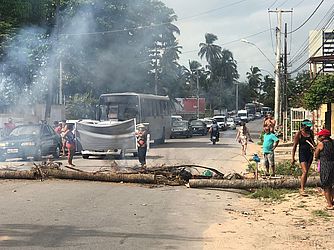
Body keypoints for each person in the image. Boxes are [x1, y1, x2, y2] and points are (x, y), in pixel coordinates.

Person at [291, 119, 315, 196]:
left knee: (306, 172)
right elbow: (294, 146)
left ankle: (303, 186)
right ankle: (302, 189)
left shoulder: (310, 133)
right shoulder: (299, 134)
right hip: (302, 153)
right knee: (304, 171)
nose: (309, 128)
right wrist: (293, 157)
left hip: (310, 153)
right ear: (303, 126)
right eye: (307, 127)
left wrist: (315, 147)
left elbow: (312, 142)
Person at [314, 129, 334, 210]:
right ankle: (331, 200)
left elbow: (316, 155)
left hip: (325, 165)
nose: (318, 137)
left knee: (326, 185)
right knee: (332, 184)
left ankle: (329, 204)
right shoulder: (333, 143)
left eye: (320, 136)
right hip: (333, 164)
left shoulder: (321, 144)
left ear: (323, 136)